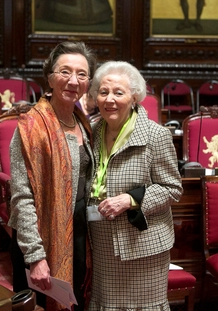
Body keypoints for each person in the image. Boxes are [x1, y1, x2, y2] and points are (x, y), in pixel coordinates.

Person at [86, 61, 183, 311]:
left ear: (135, 97)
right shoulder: (93, 131)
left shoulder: (155, 135)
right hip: (103, 240)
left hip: (143, 244)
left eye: (119, 92)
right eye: (103, 92)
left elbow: (172, 188)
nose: (110, 99)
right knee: (106, 304)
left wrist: (130, 200)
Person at [8, 41, 96, 311]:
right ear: (49, 77)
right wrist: (35, 257)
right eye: (64, 72)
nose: (73, 80)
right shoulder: (30, 128)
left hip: (78, 234)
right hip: (39, 238)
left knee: (74, 302)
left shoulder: (84, 123)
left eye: (82, 74)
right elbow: (22, 197)